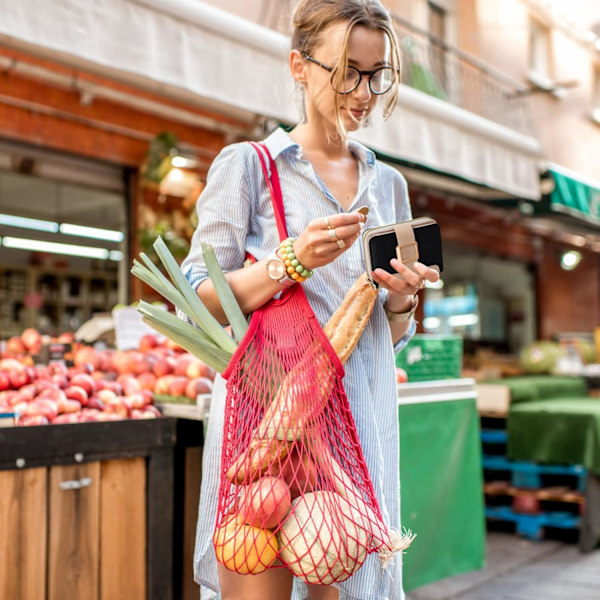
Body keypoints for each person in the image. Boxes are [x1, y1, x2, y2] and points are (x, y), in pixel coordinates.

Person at [181, 1, 440, 598]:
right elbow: (197, 303)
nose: (363, 93)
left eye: (377, 76)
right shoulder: (249, 167)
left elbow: (389, 335)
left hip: (357, 426)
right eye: (347, 71)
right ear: (299, 66)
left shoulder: (389, 184)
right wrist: (288, 261)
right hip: (270, 433)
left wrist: (400, 302)